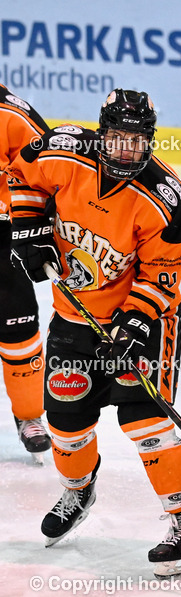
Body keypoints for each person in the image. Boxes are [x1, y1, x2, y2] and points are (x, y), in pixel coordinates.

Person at [6, 88, 181, 577]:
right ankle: (79, 489)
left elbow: (163, 272)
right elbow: (21, 175)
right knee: (66, 424)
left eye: (137, 143)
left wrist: (136, 321)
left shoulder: (163, 195)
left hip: (142, 323)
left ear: (149, 142)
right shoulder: (61, 150)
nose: (126, 152)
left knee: (145, 423)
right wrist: (30, 224)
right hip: (73, 317)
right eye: (117, 140)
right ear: (101, 135)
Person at [0, 84, 51, 463]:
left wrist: (30, 217)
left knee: (17, 326)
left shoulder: (11, 116)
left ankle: (30, 416)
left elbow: (44, 168)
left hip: (3, 236)